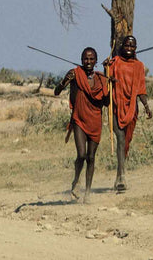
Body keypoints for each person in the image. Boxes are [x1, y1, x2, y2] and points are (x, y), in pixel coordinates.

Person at [54, 47, 108, 202]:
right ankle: (76, 181)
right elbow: (56, 92)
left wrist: (109, 87)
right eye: (85, 59)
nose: (88, 62)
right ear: (81, 60)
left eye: (91, 59)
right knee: (81, 155)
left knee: (91, 157)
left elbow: (106, 103)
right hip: (79, 119)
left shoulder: (101, 79)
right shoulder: (75, 74)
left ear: (96, 61)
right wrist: (65, 81)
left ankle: (88, 192)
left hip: (95, 120)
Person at [104, 35, 152, 191]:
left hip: (132, 108)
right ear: (122, 46)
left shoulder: (139, 66)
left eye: (132, 46)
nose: (129, 48)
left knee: (126, 142)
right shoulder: (114, 63)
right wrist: (106, 71)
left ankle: (119, 174)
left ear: (136, 48)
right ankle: (122, 177)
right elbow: (105, 84)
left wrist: (146, 106)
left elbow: (141, 89)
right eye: (127, 46)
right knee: (120, 139)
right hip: (116, 106)